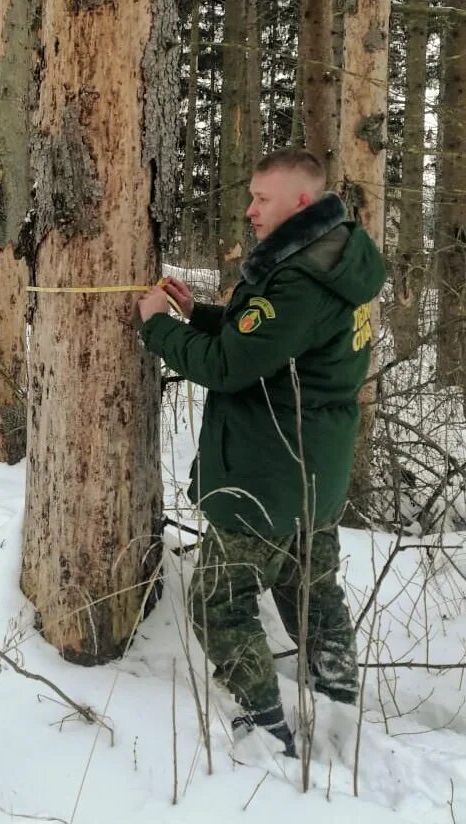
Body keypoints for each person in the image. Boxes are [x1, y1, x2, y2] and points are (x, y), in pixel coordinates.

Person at [135, 148, 386, 758]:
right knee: (311, 589)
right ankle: (339, 706)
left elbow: (230, 366)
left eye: (261, 199)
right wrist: (200, 315)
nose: (249, 210)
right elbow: (276, 338)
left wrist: (157, 327)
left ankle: (266, 728)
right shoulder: (334, 259)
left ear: (300, 202)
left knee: (218, 602)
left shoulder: (300, 279)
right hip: (316, 470)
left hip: (268, 473)